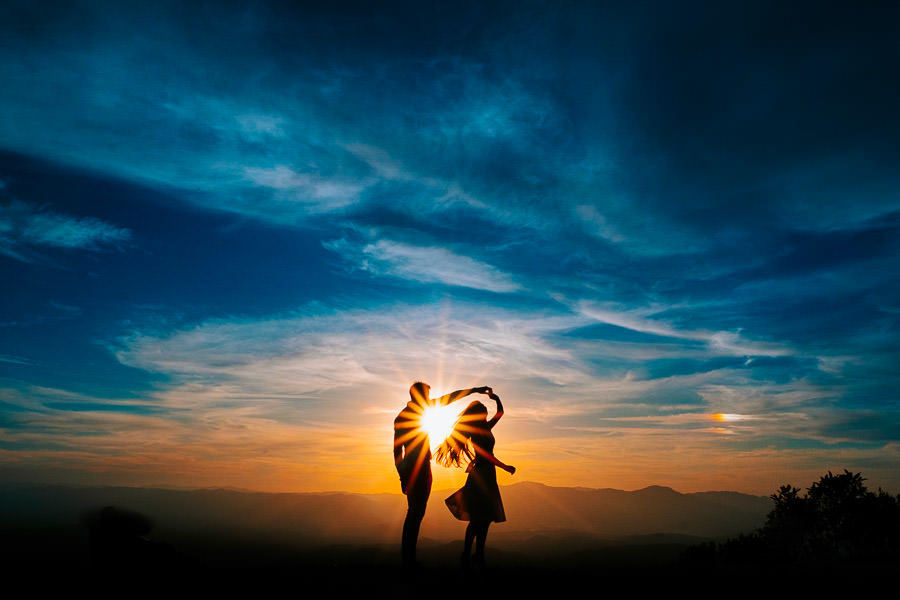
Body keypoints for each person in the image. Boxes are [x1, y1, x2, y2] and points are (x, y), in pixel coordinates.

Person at [393, 381, 492, 568]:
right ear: (419, 396)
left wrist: (474, 390)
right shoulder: (404, 417)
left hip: (423, 467)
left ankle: (409, 558)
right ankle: (408, 560)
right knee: (415, 513)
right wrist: (403, 475)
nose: (429, 398)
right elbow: (397, 451)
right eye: (427, 395)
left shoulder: (420, 410)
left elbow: (451, 397)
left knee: (416, 512)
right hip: (415, 470)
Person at [434, 392, 515, 568]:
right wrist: (505, 466)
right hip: (481, 475)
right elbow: (485, 455)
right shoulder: (477, 433)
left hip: (487, 475)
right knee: (479, 517)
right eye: (483, 413)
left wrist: (496, 398)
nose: (486, 415)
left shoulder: (486, 428)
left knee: (485, 518)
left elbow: (500, 413)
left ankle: (478, 554)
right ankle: (468, 553)